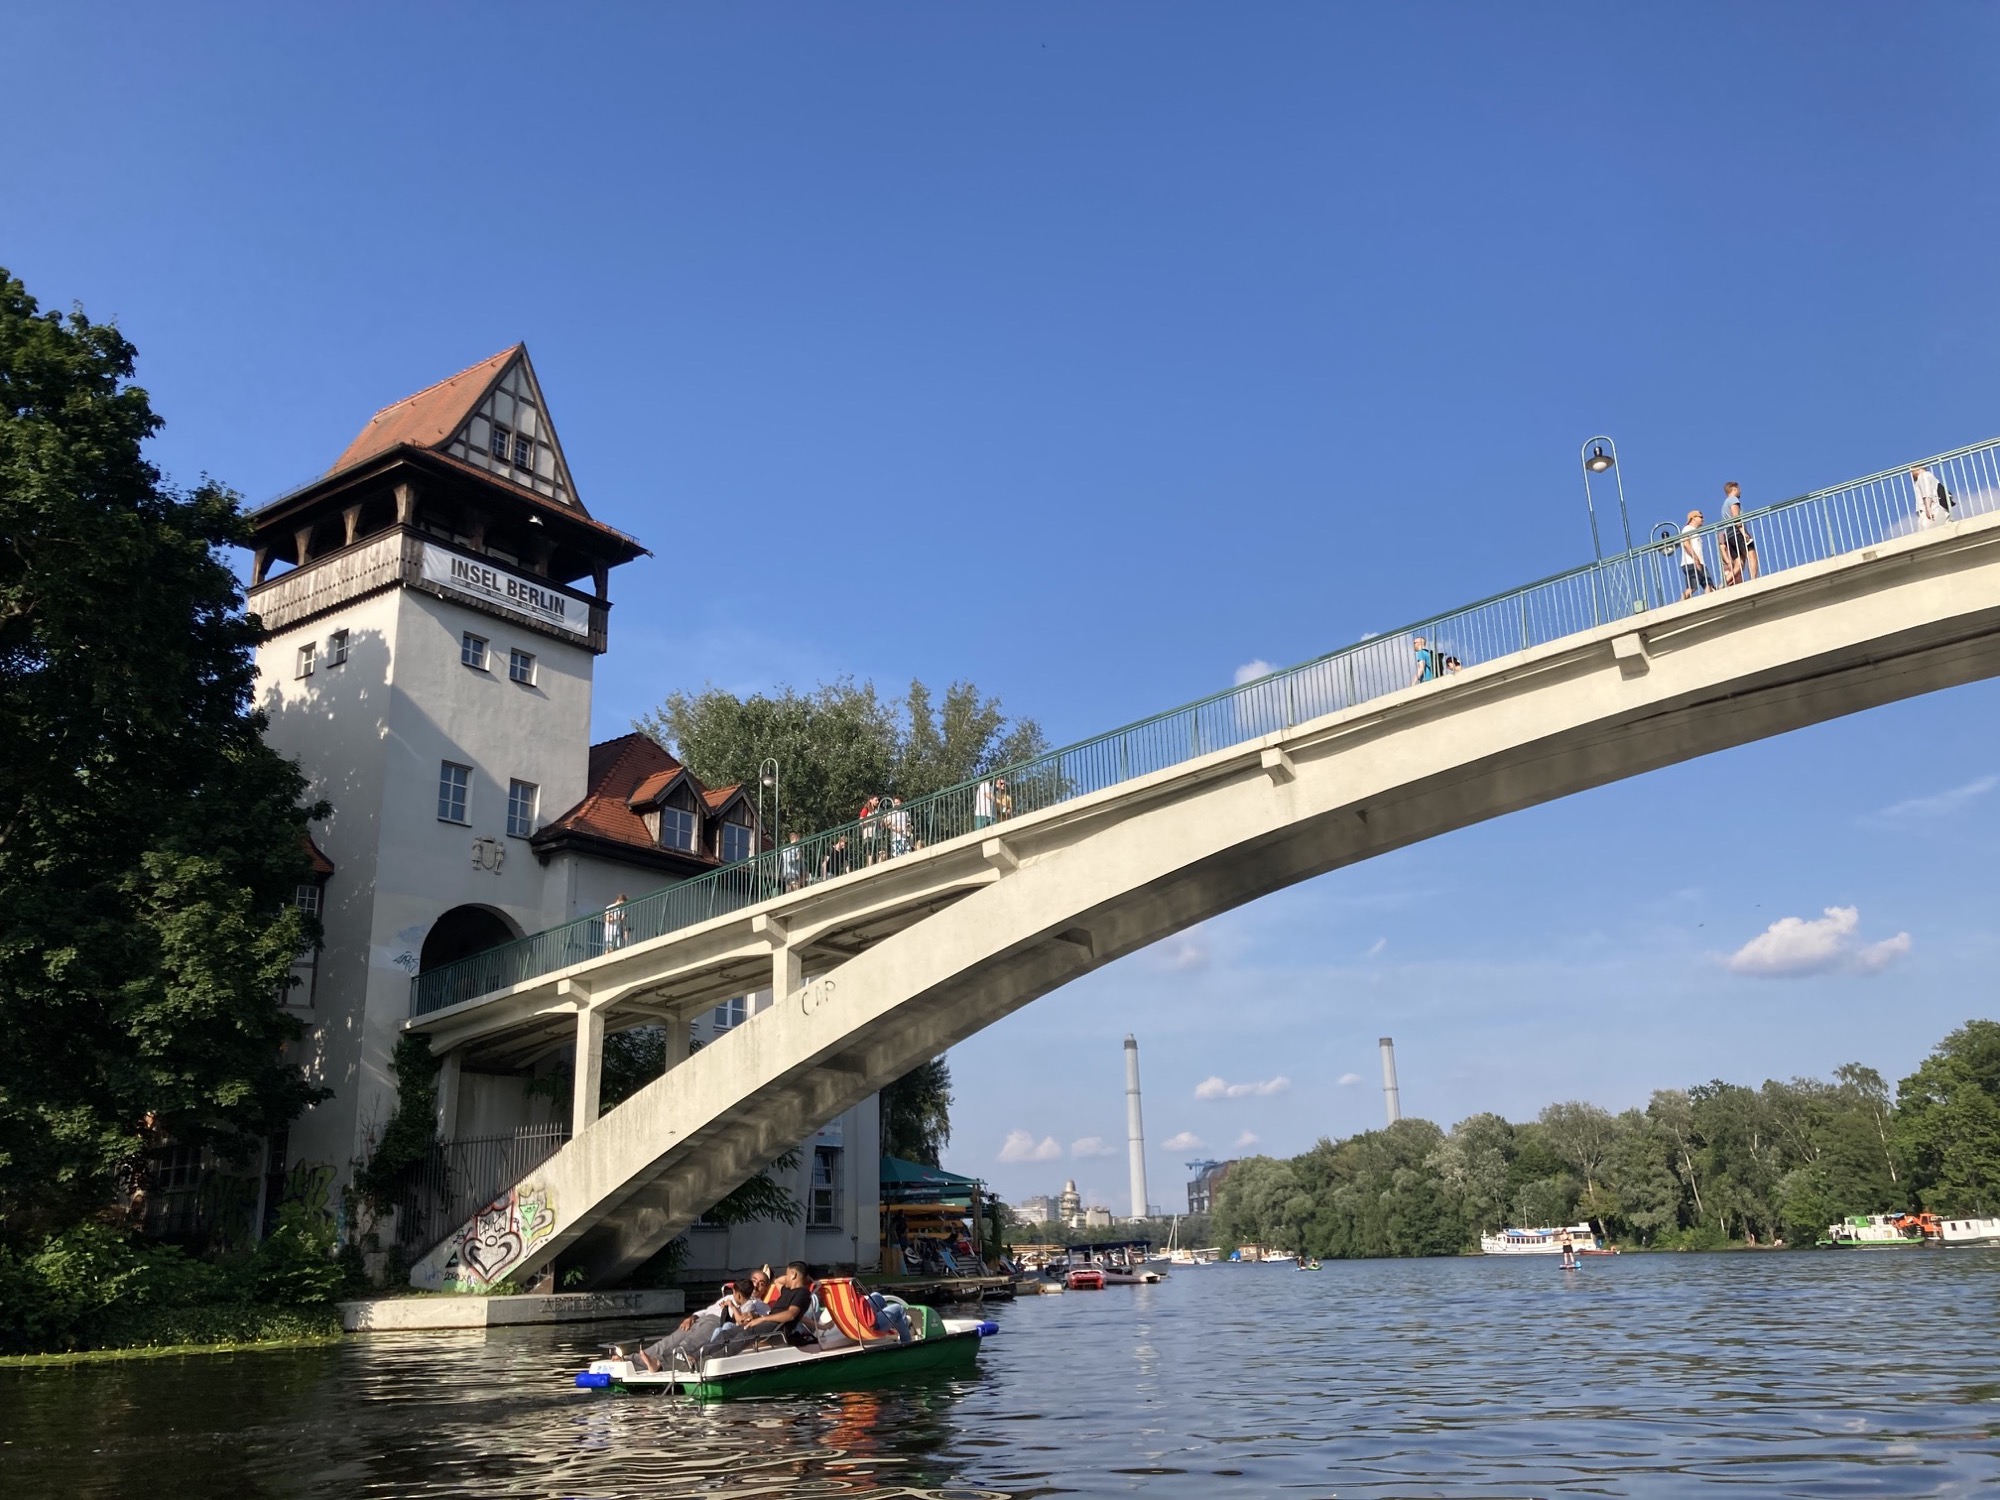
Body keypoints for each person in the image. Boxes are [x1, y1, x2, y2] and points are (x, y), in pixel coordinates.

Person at [710, 1261, 818, 1355]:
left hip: (776, 1329)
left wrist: (762, 1319)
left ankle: (714, 1357)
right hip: (768, 1325)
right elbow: (777, 1281)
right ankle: (702, 1355)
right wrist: (796, 1277)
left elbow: (791, 1314)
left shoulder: (802, 1293)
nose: (785, 1277)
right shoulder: (786, 1291)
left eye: (787, 1274)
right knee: (725, 1333)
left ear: (793, 1275)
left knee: (744, 1334)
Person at [1718, 485, 1758, 585]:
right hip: (1737, 532)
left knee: (1739, 564)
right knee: (1751, 554)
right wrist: (1744, 532)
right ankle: (1754, 580)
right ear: (1734, 489)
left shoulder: (1725, 503)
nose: (1740, 491)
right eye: (1739, 489)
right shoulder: (1733, 500)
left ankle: (1723, 584)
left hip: (1729, 534)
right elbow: (1736, 517)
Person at [1678, 510, 1716, 598]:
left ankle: (1708, 600)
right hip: (1691, 562)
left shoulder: (1694, 531)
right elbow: (1686, 544)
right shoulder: (1687, 529)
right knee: (1693, 587)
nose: (1703, 519)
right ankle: (1681, 601)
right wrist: (1695, 559)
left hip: (1699, 563)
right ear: (1693, 518)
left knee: (1708, 584)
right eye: (1700, 517)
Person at [1912, 464, 1949, 529]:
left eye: (1912, 471)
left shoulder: (1923, 476)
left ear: (1917, 469)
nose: (1911, 474)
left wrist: (1928, 509)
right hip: (1937, 509)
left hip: (1932, 510)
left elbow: (1927, 493)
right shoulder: (1929, 476)